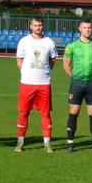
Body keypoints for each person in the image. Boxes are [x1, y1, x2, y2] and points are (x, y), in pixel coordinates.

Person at [62, 19, 92, 152]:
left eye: (89, 28)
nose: (87, 30)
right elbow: (66, 64)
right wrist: (75, 77)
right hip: (77, 84)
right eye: (85, 27)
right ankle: (70, 144)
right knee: (73, 112)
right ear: (79, 29)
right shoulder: (72, 46)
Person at [14, 16, 57, 153]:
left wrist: (43, 72)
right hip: (27, 83)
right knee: (24, 112)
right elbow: (19, 61)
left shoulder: (49, 42)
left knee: (45, 113)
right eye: (35, 25)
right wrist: (27, 73)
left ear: (43, 26)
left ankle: (47, 144)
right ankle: (20, 143)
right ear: (31, 26)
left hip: (44, 83)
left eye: (40, 25)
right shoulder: (24, 41)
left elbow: (52, 61)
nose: (38, 27)